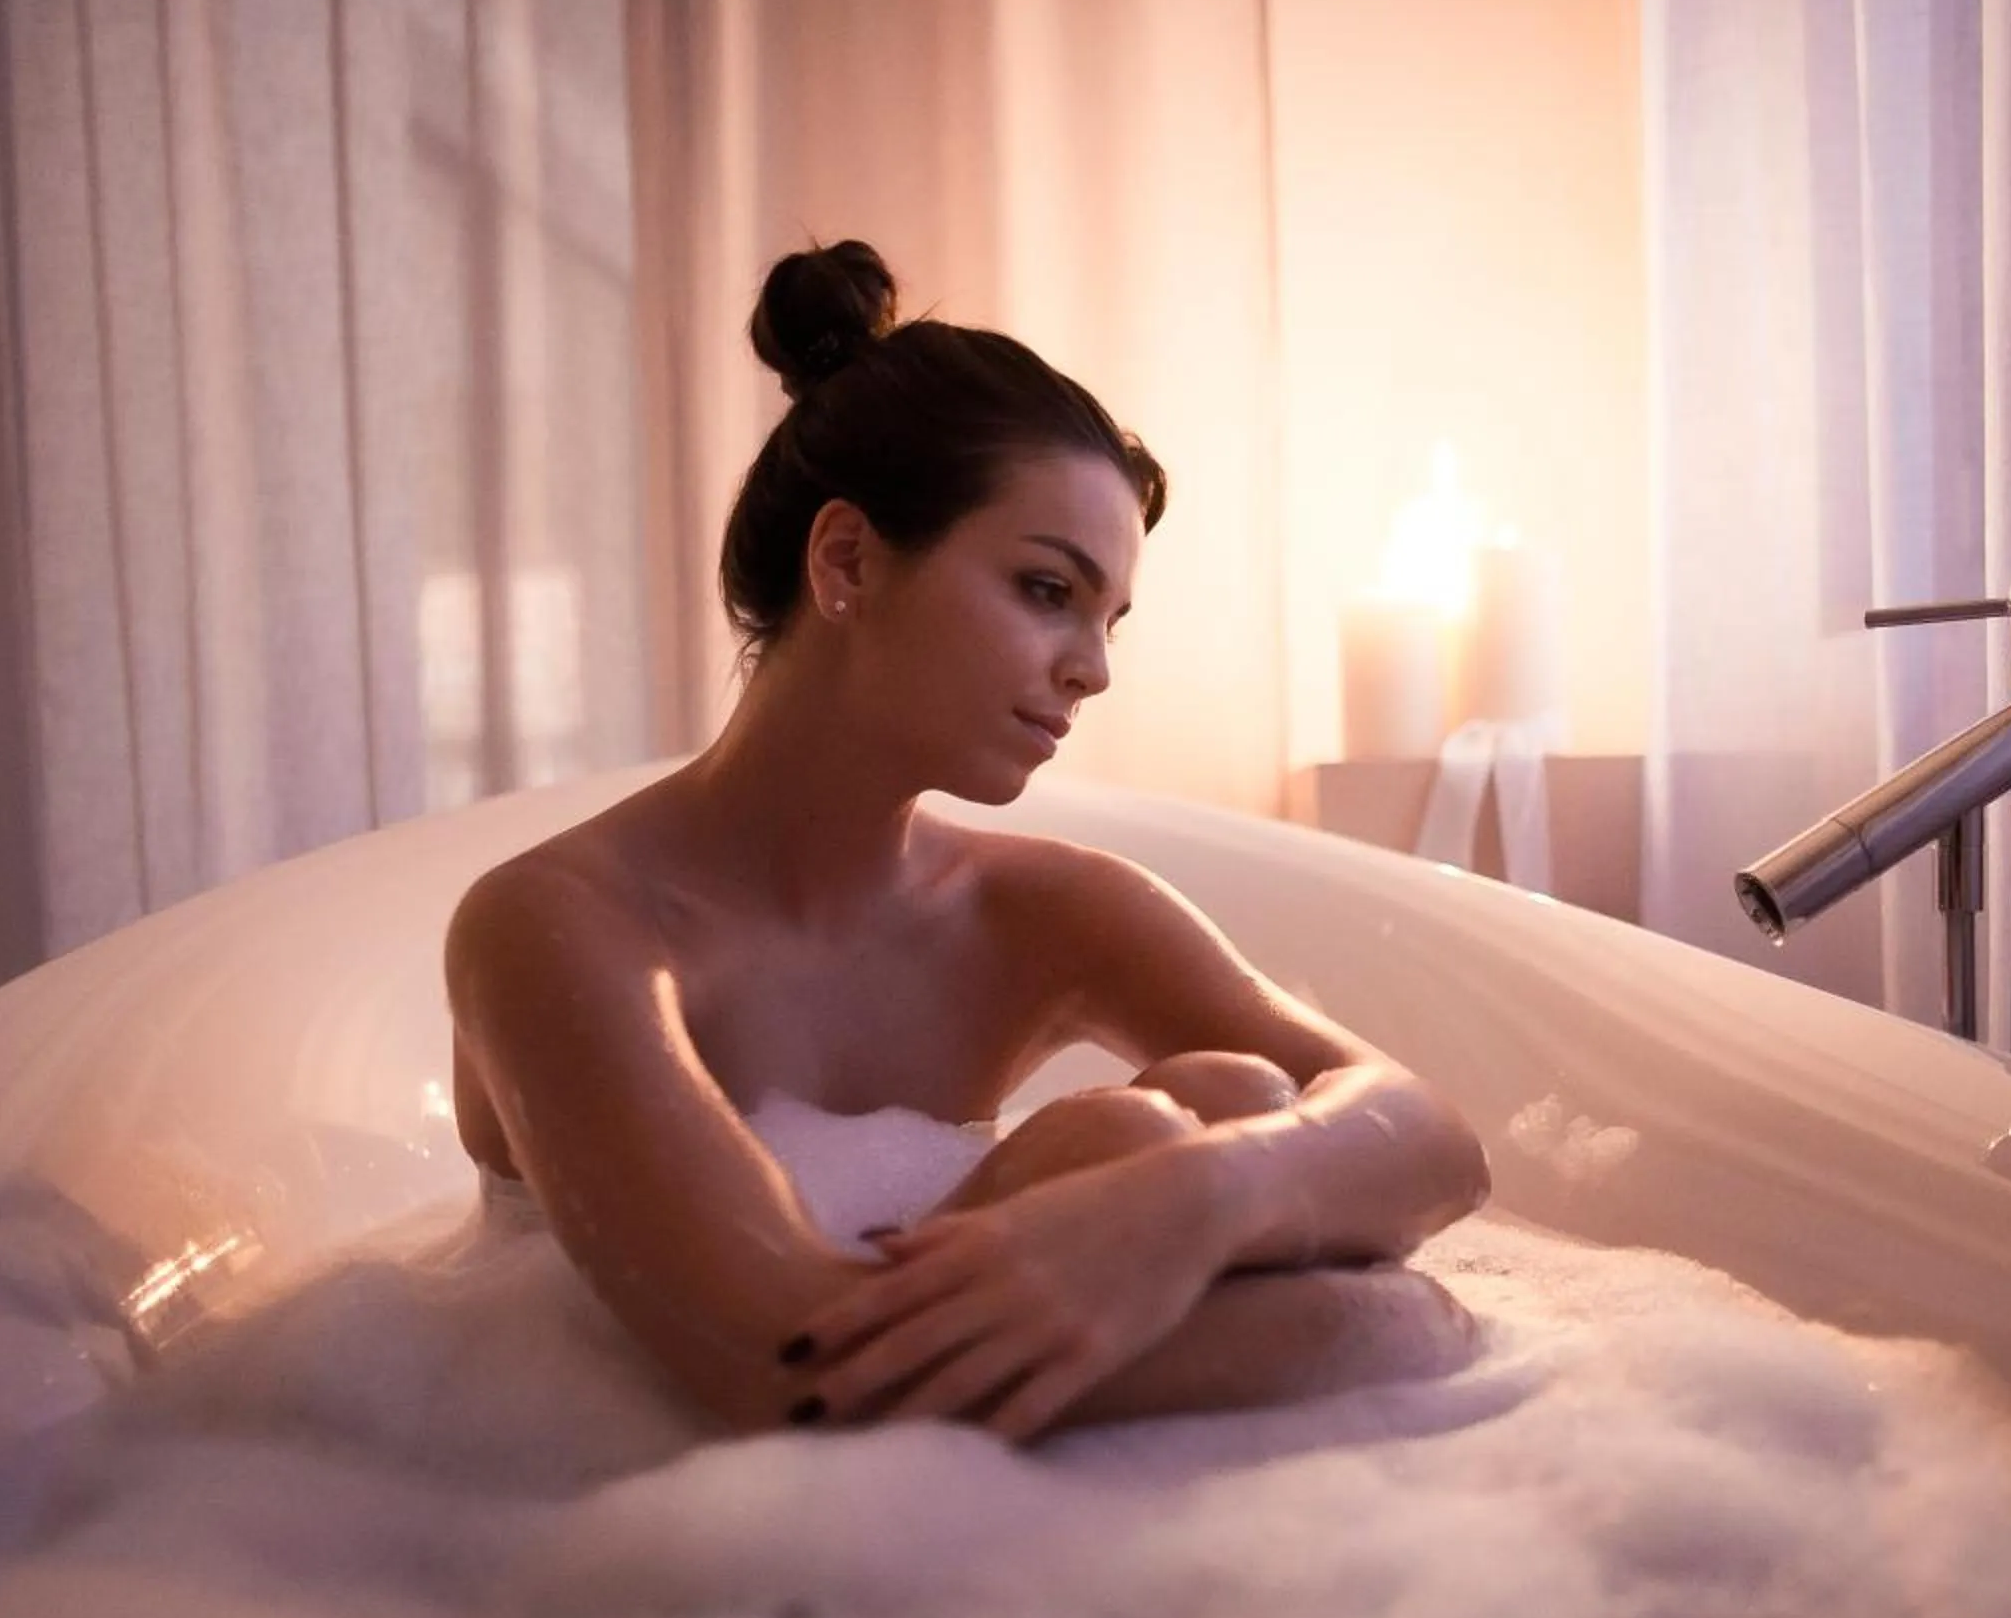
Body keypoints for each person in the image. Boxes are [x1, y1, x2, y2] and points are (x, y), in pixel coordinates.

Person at [443, 240, 1490, 1444]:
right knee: (1131, 1130)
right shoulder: (556, 925)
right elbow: (790, 1371)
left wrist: (1191, 1202)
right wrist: (1369, 1325)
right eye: (1048, 590)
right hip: (660, 1489)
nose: (1092, 669)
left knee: (1229, 1101)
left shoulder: (1043, 906)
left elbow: (1436, 1140)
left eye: (1109, 619)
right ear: (846, 561)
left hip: (932, 1489)